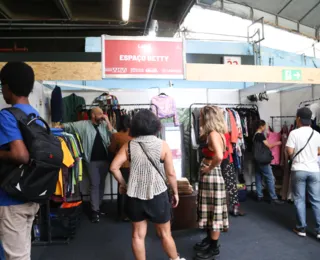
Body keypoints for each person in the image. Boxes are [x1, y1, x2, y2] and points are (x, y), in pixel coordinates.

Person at [110, 109, 185, 260]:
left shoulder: (129, 145)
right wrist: (175, 192)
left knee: (137, 235)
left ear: (135, 126)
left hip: (134, 196)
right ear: (155, 125)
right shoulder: (162, 145)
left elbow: (113, 167)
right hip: (158, 194)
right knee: (165, 234)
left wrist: (124, 184)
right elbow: (171, 173)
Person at [0, 62, 40, 260]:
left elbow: (20, 155)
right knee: (22, 252)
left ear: (8, 86)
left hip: (11, 199)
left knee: (15, 256)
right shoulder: (36, 116)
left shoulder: (8, 116)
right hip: (32, 194)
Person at [61, 107, 116, 223]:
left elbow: (114, 135)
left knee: (101, 185)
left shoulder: (104, 125)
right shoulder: (83, 125)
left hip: (105, 160)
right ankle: (94, 211)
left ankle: (98, 207)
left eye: (103, 113)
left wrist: (108, 122)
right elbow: (69, 126)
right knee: (95, 184)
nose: (102, 115)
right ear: (93, 115)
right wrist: (57, 127)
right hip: (91, 161)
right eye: (100, 114)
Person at [194, 106, 229, 260]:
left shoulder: (213, 134)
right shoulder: (216, 133)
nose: (200, 118)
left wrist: (209, 167)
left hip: (212, 175)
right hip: (211, 175)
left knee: (214, 210)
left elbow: (220, 156)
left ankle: (214, 248)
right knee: (210, 208)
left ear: (207, 118)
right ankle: (210, 240)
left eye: (201, 116)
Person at [286, 107, 320, 239]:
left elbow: (290, 151)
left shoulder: (294, 133)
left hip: (299, 169)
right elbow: (319, 151)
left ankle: (301, 228)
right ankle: (319, 230)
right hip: (315, 170)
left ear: (298, 118)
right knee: (316, 200)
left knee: (299, 200)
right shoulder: (317, 134)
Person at [109, 114, 132, 221]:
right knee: (132, 190)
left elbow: (112, 149)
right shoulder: (134, 135)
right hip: (134, 165)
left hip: (122, 166)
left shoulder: (116, 136)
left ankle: (122, 214)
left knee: (122, 189)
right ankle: (131, 212)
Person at [254, 120, 284, 205]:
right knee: (270, 178)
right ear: (261, 126)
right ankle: (273, 198)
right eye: (264, 126)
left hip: (257, 159)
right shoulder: (260, 135)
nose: (265, 127)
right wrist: (278, 142)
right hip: (263, 160)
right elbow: (269, 145)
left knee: (258, 177)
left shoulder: (255, 135)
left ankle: (259, 196)